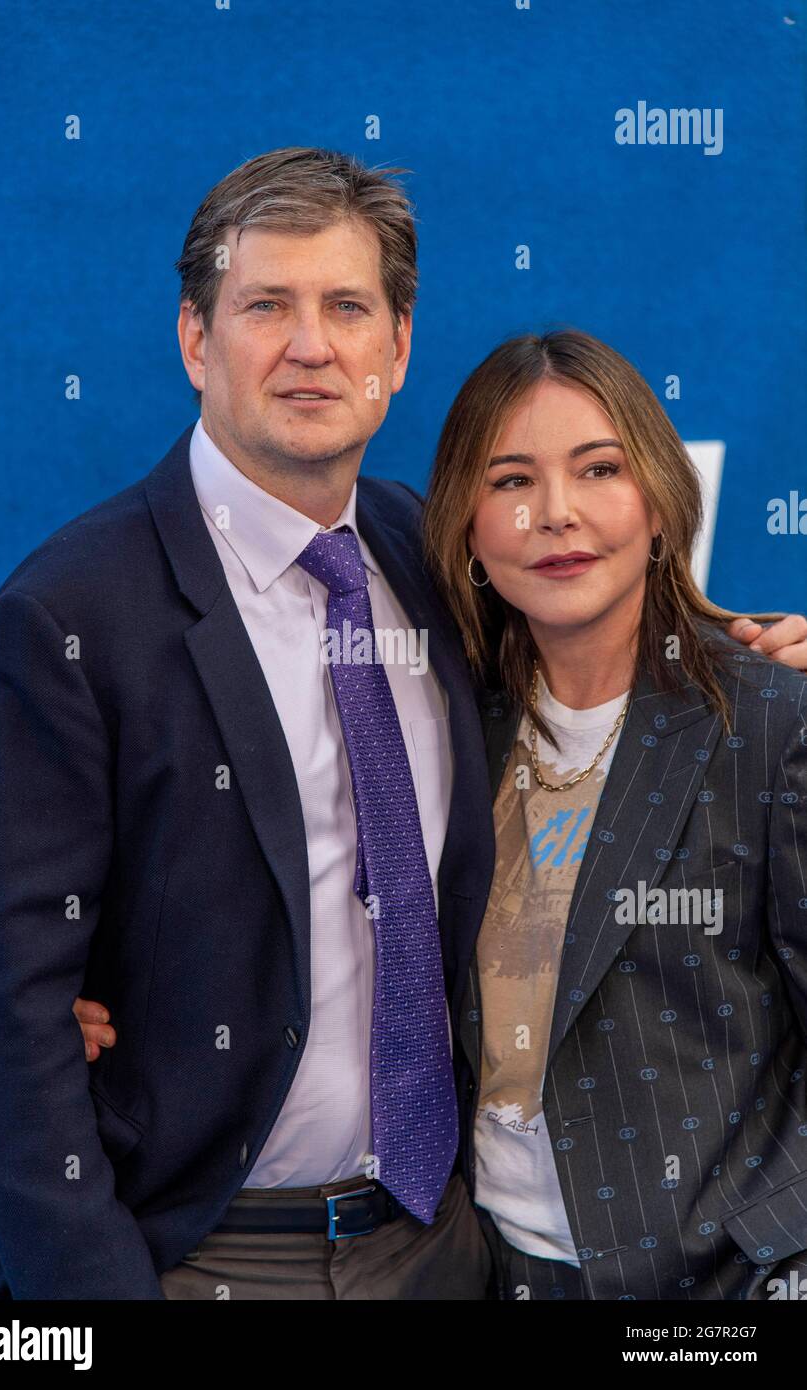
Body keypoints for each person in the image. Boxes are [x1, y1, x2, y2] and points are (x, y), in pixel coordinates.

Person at [0, 147, 803, 1302]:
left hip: (439, 1249)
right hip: (195, 1253)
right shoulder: (65, 618)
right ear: (195, 339)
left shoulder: (425, 556)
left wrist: (739, 642)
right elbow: (4, 1018)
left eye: (346, 305)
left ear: (396, 348)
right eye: (265, 306)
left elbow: (598, 636)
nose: (311, 345)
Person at [419, 329, 807, 1300]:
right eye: (509, 480)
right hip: (480, 1271)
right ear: (465, 526)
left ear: (661, 506)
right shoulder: (441, 726)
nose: (555, 514)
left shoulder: (765, 720)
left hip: (714, 1289)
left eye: (597, 468)